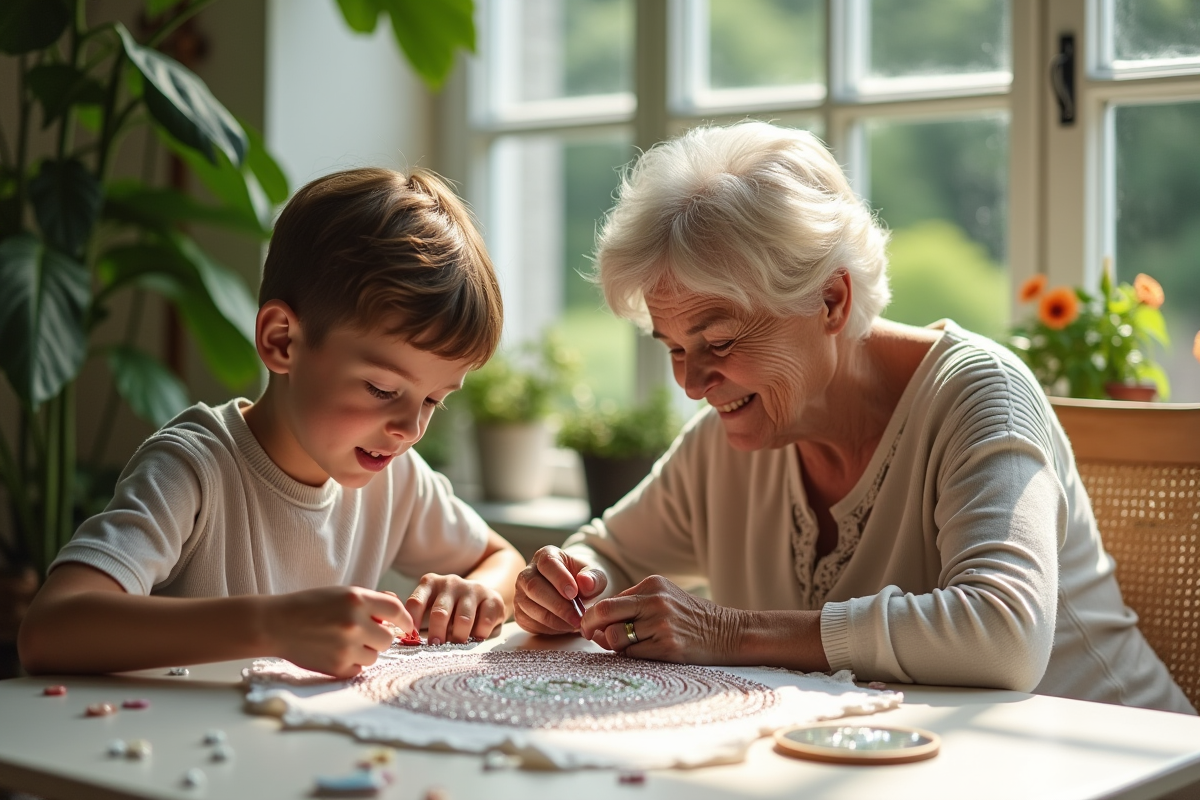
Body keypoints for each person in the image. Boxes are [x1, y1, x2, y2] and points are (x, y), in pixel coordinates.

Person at [513, 121, 1194, 714]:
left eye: (718, 343)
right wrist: (570, 585)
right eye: (674, 348)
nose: (692, 383)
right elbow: (607, 551)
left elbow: (1003, 635)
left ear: (832, 301)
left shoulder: (980, 394)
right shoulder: (728, 440)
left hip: (1114, 768)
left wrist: (728, 633)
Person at [20, 168, 525, 679]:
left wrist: (476, 592)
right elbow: (48, 631)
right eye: (382, 390)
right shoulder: (193, 467)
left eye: (433, 400)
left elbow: (503, 560)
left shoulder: (397, 477)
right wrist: (273, 626)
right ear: (282, 340)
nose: (410, 428)